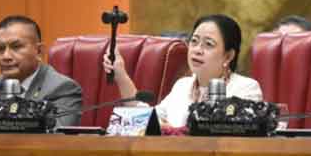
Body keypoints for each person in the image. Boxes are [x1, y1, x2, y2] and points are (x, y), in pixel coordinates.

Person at [103, 14, 263, 128]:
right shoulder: (182, 86)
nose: (197, 50)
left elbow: (231, 135)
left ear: (228, 56)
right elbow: (147, 120)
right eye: (194, 41)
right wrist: (121, 75)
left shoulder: (246, 88)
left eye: (208, 44)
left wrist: (170, 130)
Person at [0, 15, 83, 127]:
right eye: (0, 48)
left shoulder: (62, 88)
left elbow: (56, 140)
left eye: (16, 47)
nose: (6, 56)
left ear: (39, 51)